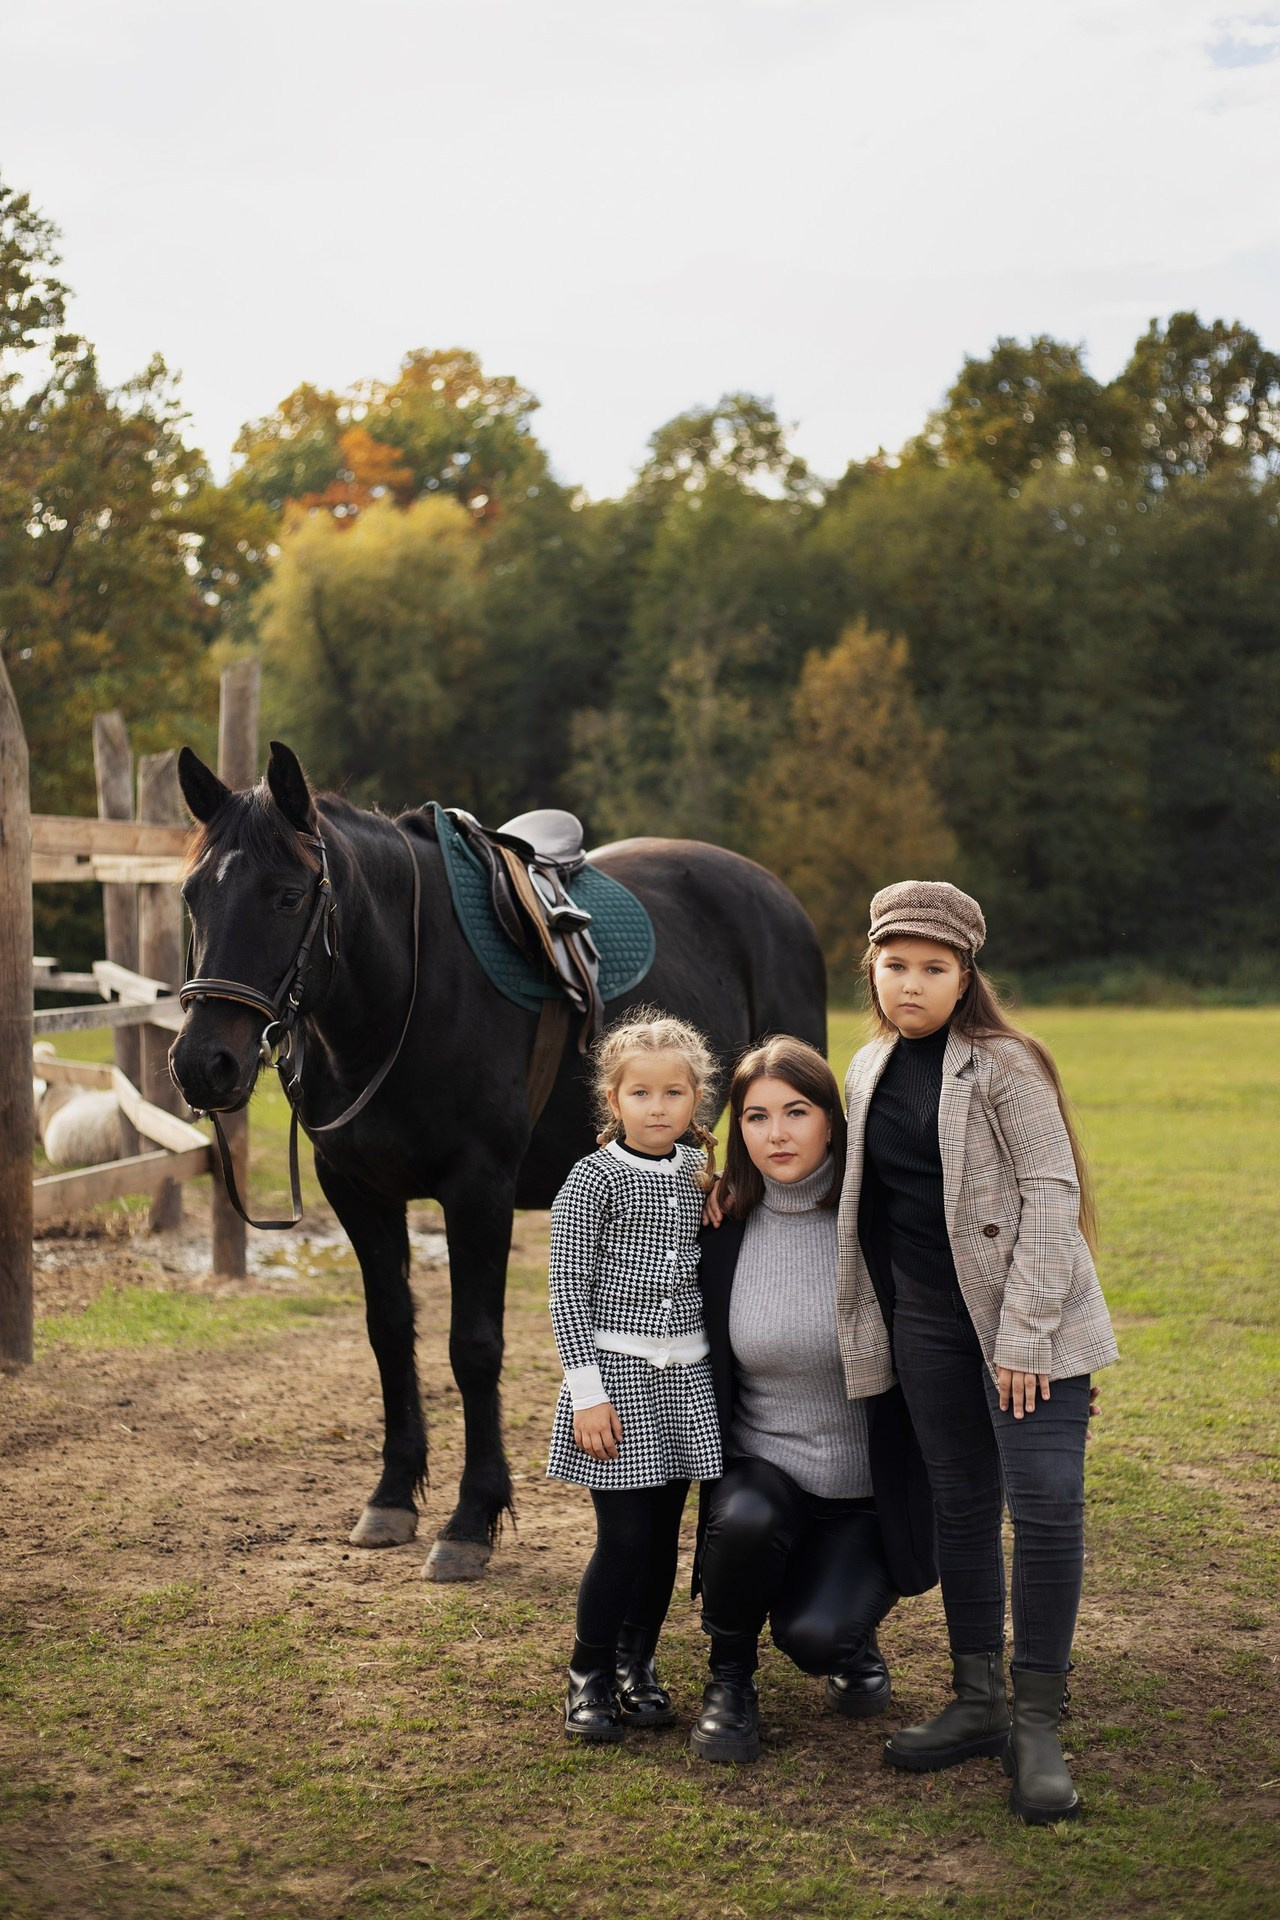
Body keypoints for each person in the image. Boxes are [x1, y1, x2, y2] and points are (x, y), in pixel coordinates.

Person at [838, 880, 1118, 1823]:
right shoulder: (868, 1068)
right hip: (926, 1324)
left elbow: (1051, 1191)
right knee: (960, 1501)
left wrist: (1026, 1335)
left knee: (1043, 1505)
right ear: (871, 967)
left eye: (933, 968)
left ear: (966, 978)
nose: (910, 984)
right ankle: (977, 1700)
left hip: (1028, 1325)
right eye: (895, 966)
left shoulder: (1005, 1065)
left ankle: (1037, 1721)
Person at [690, 1037, 937, 1764]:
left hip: (867, 1492)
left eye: (797, 1112)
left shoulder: (879, 1223)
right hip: (763, 1472)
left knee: (815, 1638)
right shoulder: (721, 1224)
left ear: (833, 1118)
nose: (777, 1134)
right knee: (746, 1518)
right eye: (757, 1117)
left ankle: (848, 1633)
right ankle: (729, 1681)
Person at [546, 1010, 723, 1743]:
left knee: (661, 1541)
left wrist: (722, 1195)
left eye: (674, 1094)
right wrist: (586, 1391)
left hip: (685, 1380)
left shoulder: (699, 1174)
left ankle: (637, 1662)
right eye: (642, 1095)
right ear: (613, 1102)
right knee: (621, 1540)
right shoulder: (593, 1180)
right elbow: (566, 1289)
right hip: (615, 1382)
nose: (658, 1109)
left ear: (695, 1101)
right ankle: (587, 1672)